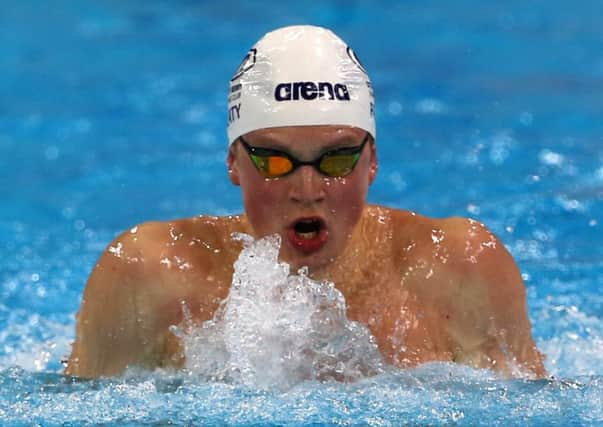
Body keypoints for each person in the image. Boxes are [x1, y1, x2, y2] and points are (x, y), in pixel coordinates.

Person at [65, 25, 546, 379]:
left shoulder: (459, 268)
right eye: (276, 161)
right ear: (234, 162)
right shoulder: (147, 276)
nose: (308, 188)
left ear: (372, 161)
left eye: (336, 159)